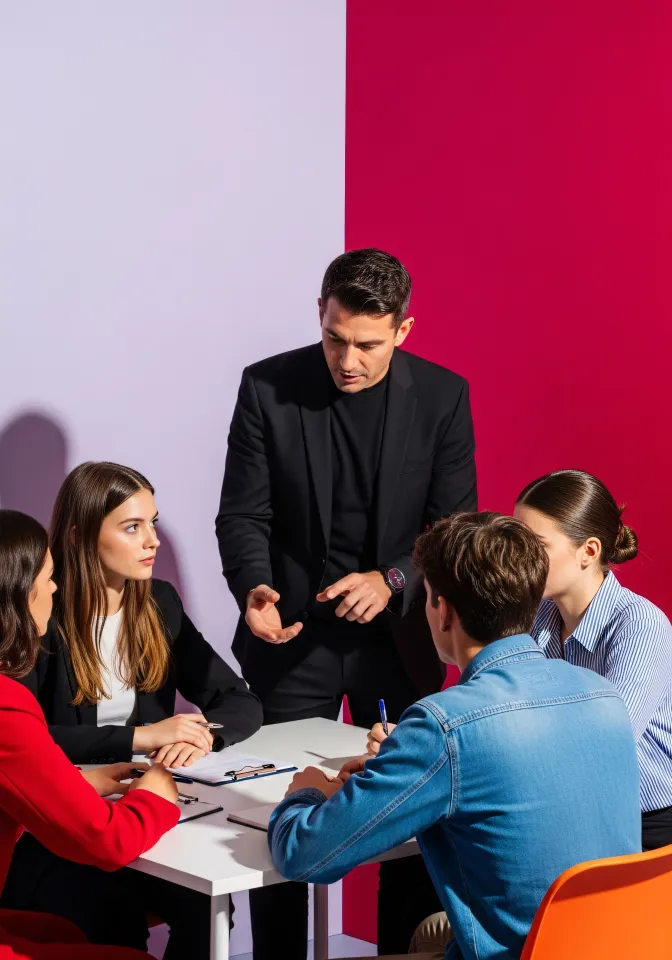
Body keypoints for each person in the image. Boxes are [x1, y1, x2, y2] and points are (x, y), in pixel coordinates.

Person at [216, 248, 477, 957]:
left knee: (411, 813)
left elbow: (453, 529)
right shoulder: (267, 387)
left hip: (398, 642)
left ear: (404, 329)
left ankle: (400, 953)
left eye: (367, 343)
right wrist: (253, 588)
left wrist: (391, 580)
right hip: (291, 637)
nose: (348, 359)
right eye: (335, 338)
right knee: (281, 808)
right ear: (321, 317)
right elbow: (243, 515)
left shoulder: (444, 396)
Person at [268, 512, 642, 960]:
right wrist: (393, 774)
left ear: (443, 611)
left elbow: (305, 855)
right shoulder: (602, 695)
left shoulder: (443, 725)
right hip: (617, 945)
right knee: (430, 934)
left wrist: (305, 796)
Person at [2, 461, 263, 959]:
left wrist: (203, 736)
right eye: (132, 527)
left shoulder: (159, 603)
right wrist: (142, 738)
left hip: (137, 809)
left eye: (153, 523)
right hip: (58, 831)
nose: (152, 542)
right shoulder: (38, 615)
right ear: (79, 535)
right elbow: (32, 742)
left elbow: (239, 699)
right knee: (108, 910)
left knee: (208, 909)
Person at [0, 508, 180, 960]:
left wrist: (75, 783)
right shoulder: (7, 703)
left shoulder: (161, 604)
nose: (54, 588)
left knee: (62, 934)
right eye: (46, 577)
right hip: (71, 861)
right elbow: (108, 841)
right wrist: (157, 790)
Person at [513, 469, 672, 850]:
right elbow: (502, 710)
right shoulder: (537, 619)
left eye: (536, 545)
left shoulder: (639, 624)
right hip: (570, 812)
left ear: (589, 551)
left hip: (647, 828)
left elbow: (604, 743)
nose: (519, 559)